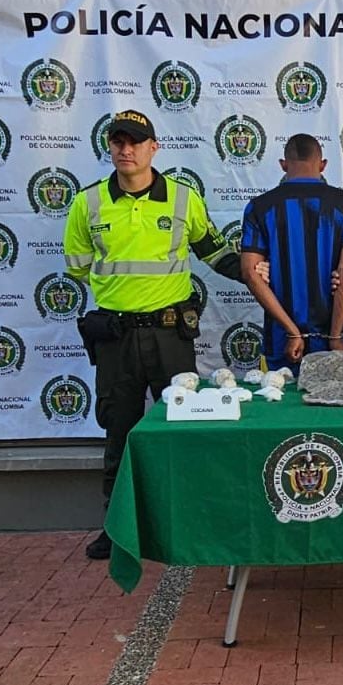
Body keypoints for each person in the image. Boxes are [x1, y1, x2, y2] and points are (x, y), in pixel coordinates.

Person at [63, 109, 242, 559]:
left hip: (169, 334)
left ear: (153, 147)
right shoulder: (87, 204)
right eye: (118, 141)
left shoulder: (183, 199)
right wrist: (125, 296)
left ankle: (191, 518)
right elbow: (79, 267)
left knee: (183, 429)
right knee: (119, 432)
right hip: (116, 338)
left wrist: (253, 272)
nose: (126, 149)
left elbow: (213, 251)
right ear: (109, 146)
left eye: (136, 142)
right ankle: (115, 527)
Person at [240, 133, 343, 373]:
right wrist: (335, 336)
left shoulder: (259, 207)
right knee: (335, 405)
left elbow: (249, 273)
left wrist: (292, 331)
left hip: (282, 337)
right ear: (323, 165)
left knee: (283, 406)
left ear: (283, 165)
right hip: (334, 334)